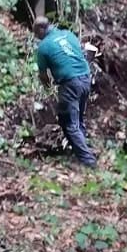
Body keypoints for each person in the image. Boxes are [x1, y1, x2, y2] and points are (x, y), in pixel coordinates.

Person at [33, 17, 96, 167]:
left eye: (36, 33)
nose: (36, 37)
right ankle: (82, 152)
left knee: (69, 123)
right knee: (77, 119)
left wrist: (48, 89)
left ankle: (88, 161)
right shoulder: (68, 34)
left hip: (70, 84)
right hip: (85, 78)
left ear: (41, 29)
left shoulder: (44, 47)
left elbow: (43, 75)